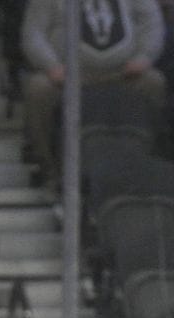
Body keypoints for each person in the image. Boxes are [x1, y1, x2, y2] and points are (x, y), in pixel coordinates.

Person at [20, 0, 167, 186]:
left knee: (154, 82)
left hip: (123, 72)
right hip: (66, 74)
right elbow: (33, 34)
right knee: (38, 89)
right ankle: (49, 166)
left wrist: (144, 57)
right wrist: (51, 66)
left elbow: (152, 25)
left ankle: (148, 159)